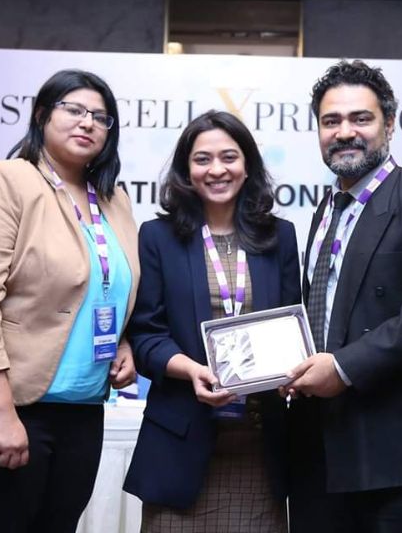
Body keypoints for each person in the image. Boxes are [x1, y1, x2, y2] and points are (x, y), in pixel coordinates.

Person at [0, 69, 140, 533]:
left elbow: (109, 287)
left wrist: (123, 342)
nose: (88, 123)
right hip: (1, 407)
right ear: (41, 115)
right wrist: (1, 414)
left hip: (81, 411)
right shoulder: (6, 181)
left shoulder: (113, 198)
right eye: (74, 110)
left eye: (101, 117)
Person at [283, 60, 402, 532]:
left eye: (360, 118)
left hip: (399, 461)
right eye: (331, 121)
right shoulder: (326, 208)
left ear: (389, 124)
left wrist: (343, 368)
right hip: (318, 452)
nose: (345, 132)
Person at [123, 110, 301, 532]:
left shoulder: (281, 236)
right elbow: (147, 335)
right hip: (182, 444)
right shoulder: (157, 237)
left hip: (259, 445)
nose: (217, 169)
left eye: (229, 157)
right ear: (186, 169)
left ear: (248, 165)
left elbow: (295, 326)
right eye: (202, 159)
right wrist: (191, 371)